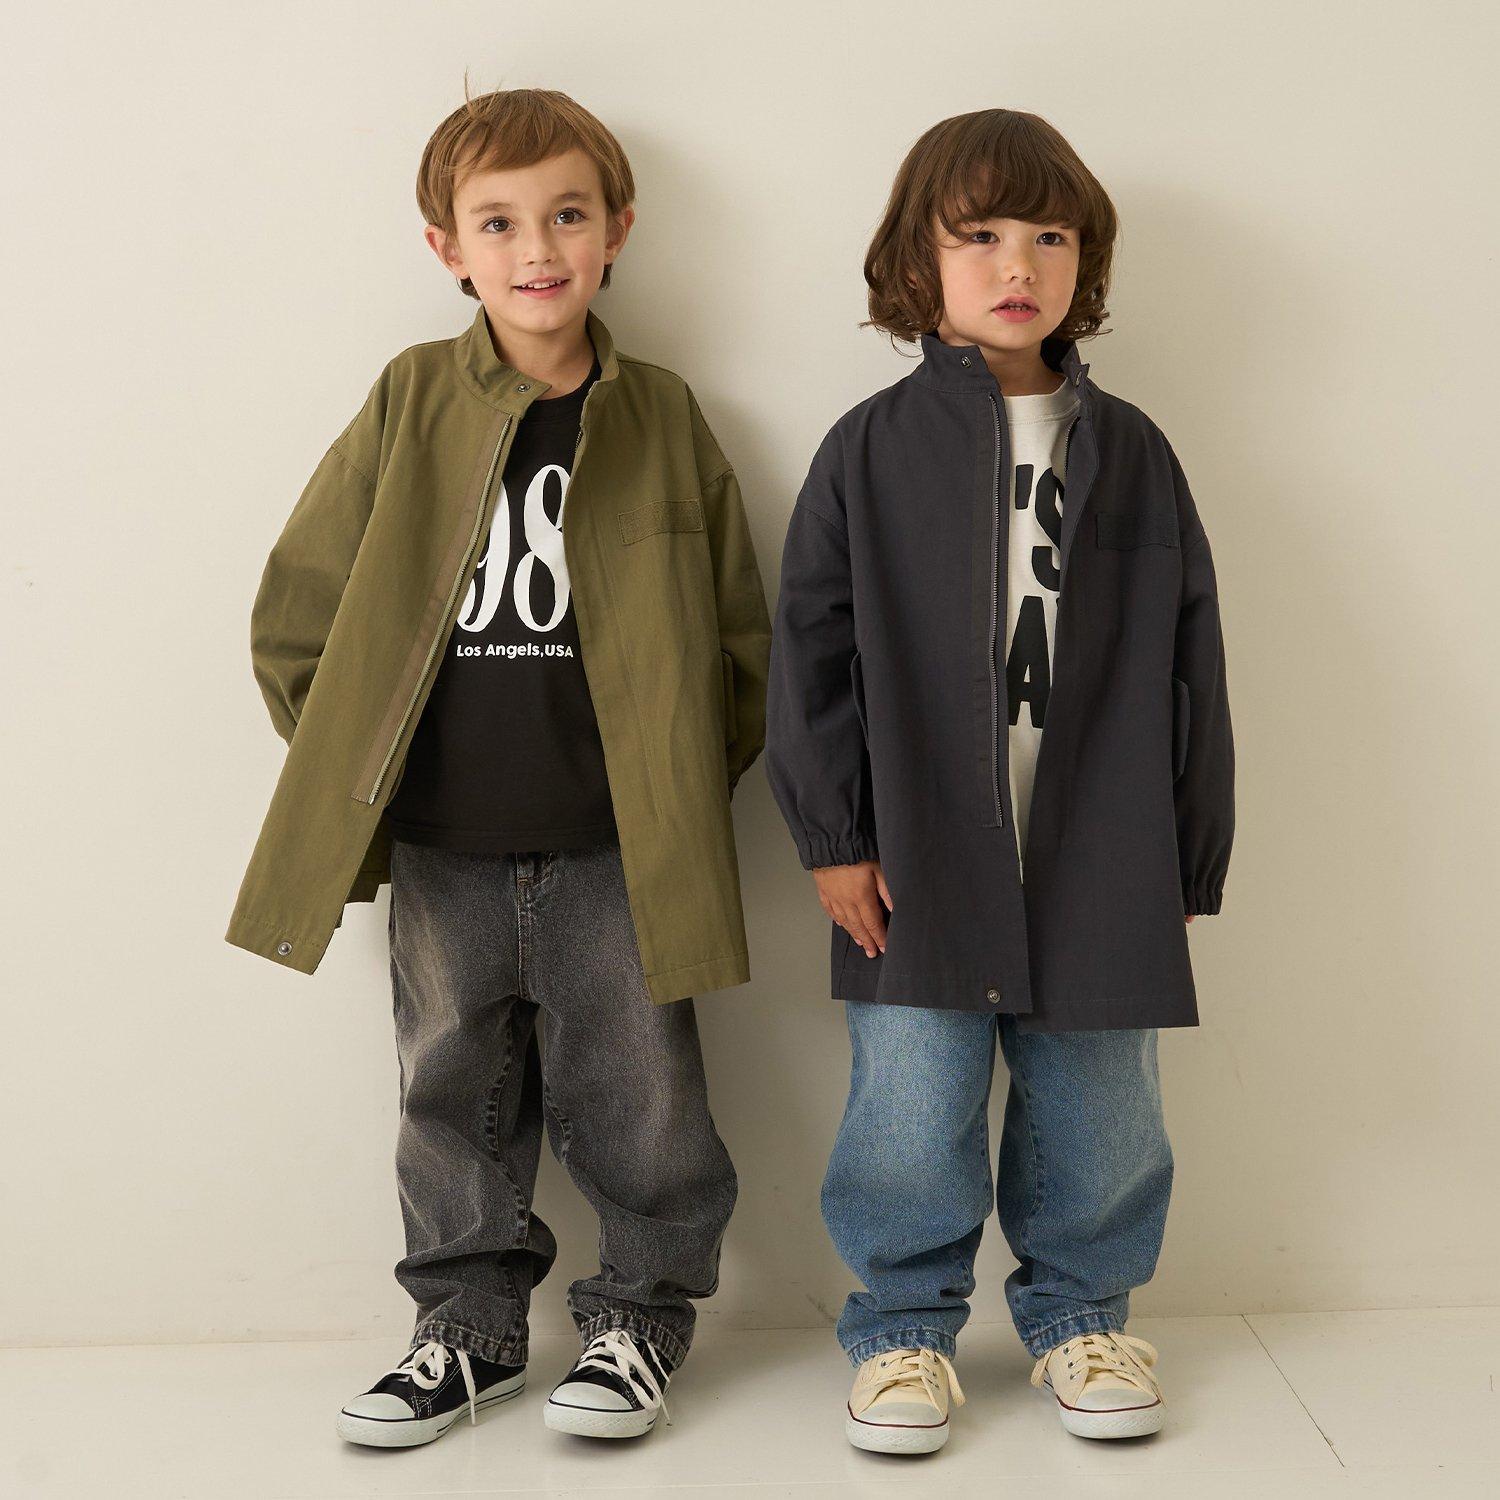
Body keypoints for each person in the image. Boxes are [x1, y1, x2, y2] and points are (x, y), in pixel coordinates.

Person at [226, 86, 771, 1447]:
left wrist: (673, 794)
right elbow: (297, 615)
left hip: (616, 847)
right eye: (500, 222)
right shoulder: (412, 398)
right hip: (445, 842)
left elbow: (737, 642)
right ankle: (465, 1334)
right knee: (448, 1097)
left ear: (617, 231)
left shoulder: (661, 415)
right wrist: (359, 767)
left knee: (644, 1097)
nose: (538, 248)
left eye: (568, 215)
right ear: (448, 249)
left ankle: (640, 1322)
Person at [765, 108, 1234, 1454]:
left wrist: (1189, 851)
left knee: (1103, 1112)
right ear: (918, 263)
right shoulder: (867, 450)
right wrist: (834, 836)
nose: (1017, 262)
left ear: (1086, 262)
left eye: (1050, 235)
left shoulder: (1134, 451)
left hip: (1101, 846)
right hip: (918, 852)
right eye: (978, 235)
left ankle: (1084, 1314)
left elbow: (1194, 655)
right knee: (909, 1108)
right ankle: (901, 1334)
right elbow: (811, 657)